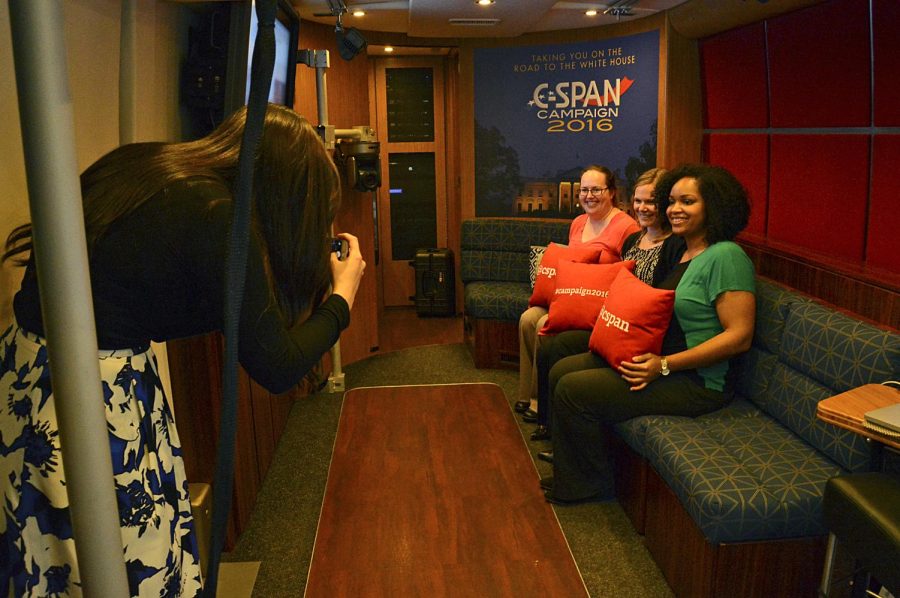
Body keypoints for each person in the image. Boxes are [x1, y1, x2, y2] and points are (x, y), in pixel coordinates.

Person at [0, 104, 365, 596]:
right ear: (286, 194)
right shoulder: (219, 221)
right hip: (91, 401)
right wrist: (343, 296)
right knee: (128, 562)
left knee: (50, 559)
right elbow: (277, 366)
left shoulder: (150, 168)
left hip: (28, 374)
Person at [541, 163, 756, 505]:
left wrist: (665, 365)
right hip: (660, 360)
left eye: (687, 201)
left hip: (697, 382)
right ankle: (579, 470)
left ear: (714, 206)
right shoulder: (683, 250)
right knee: (562, 368)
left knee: (573, 389)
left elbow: (739, 336)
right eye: (671, 201)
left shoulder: (727, 256)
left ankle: (591, 484)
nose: (674, 210)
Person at [531, 167, 686, 446]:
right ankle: (550, 426)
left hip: (639, 334)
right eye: (638, 201)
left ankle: (564, 437)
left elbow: (662, 300)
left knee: (564, 366)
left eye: (651, 201)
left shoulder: (675, 246)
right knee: (552, 347)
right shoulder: (633, 240)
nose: (642, 208)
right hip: (614, 320)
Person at [515, 166, 639, 429]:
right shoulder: (578, 222)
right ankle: (527, 394)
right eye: (584, 190)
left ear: (612, 192)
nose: (589, 195)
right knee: (528, 318)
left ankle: (541, 404)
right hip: (570, 297)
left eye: (596, 189)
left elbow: (632, 275)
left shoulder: (626, 227)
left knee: (541, 325)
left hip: (599, 305)